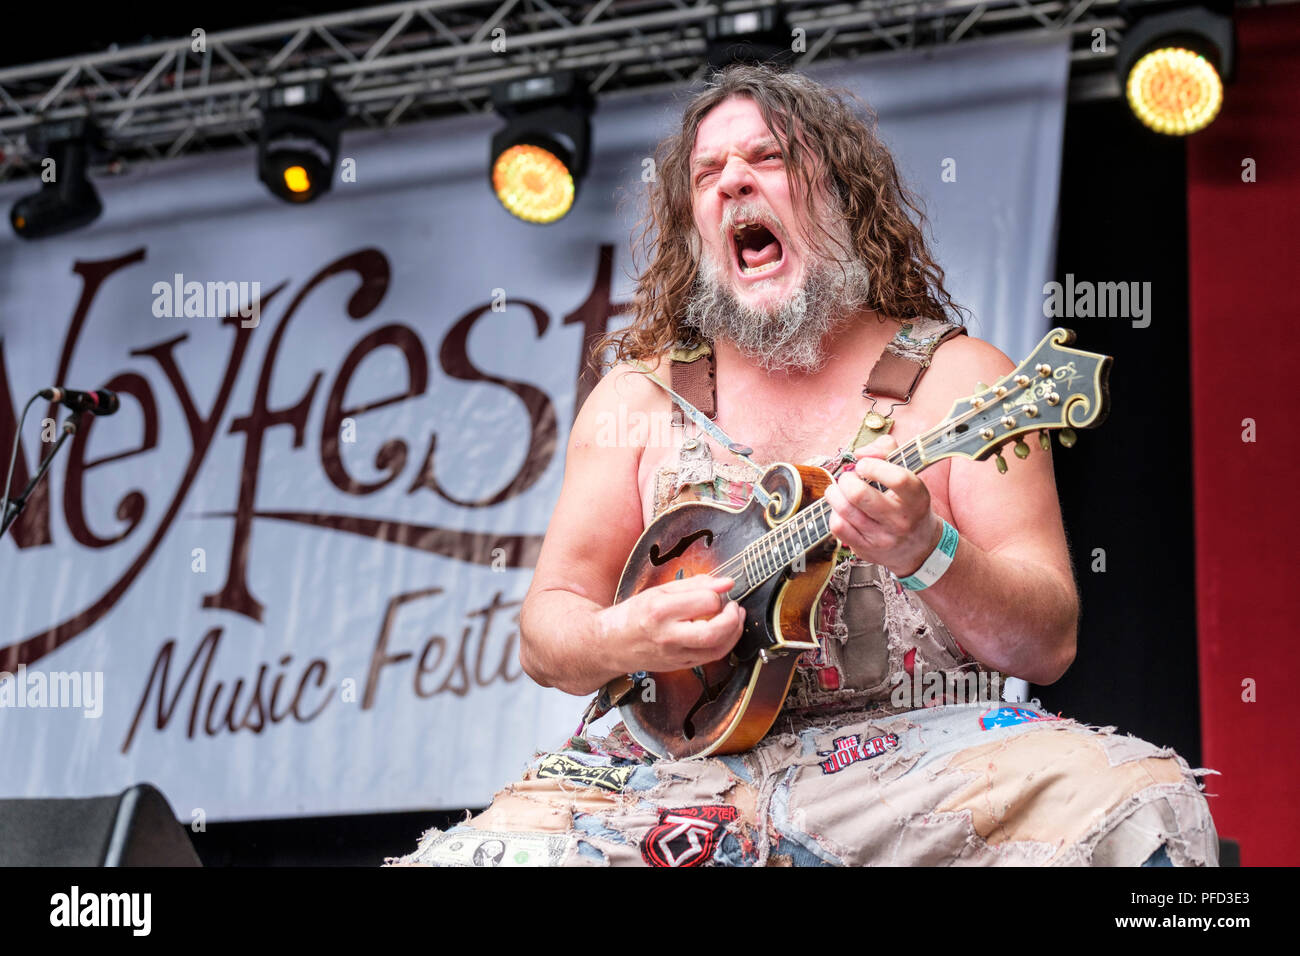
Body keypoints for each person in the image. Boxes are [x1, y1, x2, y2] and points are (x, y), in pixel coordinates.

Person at [386, 64, 1218, 867]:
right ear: (694, 227)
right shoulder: (637, 400)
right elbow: (546, 633)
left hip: (913, 765)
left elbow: (1045, 644)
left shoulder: (961, 381)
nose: (732, 182)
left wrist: (928, 548)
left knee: (1147, 802)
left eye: (769, 158)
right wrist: (623, 635)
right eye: (707, 171)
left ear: (843, 199)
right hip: (669, 780)